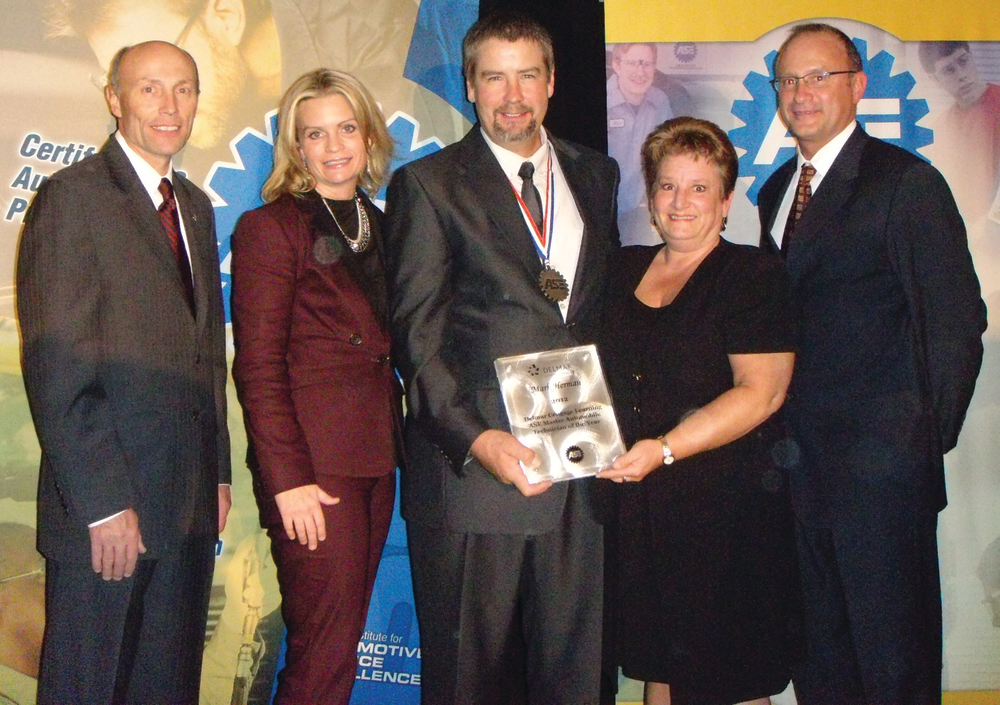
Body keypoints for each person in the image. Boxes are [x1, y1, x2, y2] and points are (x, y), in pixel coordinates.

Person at [384, 10, 620, 703]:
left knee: (580, 678)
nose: (511, 95)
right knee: (469, 686)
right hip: (477, 481)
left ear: (550, 83)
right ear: (470, 86)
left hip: (580, 476)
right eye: (494, 77)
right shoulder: (427, 186)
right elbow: (417, 340)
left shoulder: (596, 174)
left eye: (526, 76)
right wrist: (477, 440)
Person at [757, 23, 987, 704]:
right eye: (789, 81)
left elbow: (956, 324)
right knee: (820, 665)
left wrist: (914, 444)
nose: (801, 94)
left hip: (879, 485)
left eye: (818, 77)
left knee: (894, 667)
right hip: (796, 479)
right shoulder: (773, 191)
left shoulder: (905, 183)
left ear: (857, 85)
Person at [16, 40, 231, 703]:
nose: (169, 106)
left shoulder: (194, 205)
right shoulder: (71, 199)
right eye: (149, 88)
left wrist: (217, 471)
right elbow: (59, 367)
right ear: (114, 99)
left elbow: (204, 356)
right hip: (108, 517)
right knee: (90, 688)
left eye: (184, 89)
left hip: (187, 508)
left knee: (165, 688)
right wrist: (105, 503)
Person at [597, 116, 799, 705]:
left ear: (727, 200)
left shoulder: (753, 276)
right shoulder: (620, 269)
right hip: (640, 508)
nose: (681, 202)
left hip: (723, 509)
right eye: (667, 186)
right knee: (661, 669)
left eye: (700, 188)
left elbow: (762, 393)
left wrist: (663, 449)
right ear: (651, 198)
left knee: (728, 676)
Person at [230, 68, 401, 705]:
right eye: (315, 133)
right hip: (312, 472)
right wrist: (288, 481)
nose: (334, 146)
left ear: (369, 135)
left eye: (346, 128)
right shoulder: (271, 229)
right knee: (322, 655)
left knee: (340, 644)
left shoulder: (384, 226)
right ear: (296, 148)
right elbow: (258, 368)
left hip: (376, 461)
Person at [607, 43, 690, 247]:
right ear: (616, 65)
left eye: (647, 64)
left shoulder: (660, 101)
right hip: (600, 211)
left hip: (638, 213)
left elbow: (670, 156)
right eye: (633, 63)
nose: (640, 72)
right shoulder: (599, 99)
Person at [918, 41, 1000, 222]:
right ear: (935, 80)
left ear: (973, 58)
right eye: (949, 70)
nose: (962, 75)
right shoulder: (939, 130)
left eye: (963, 61)